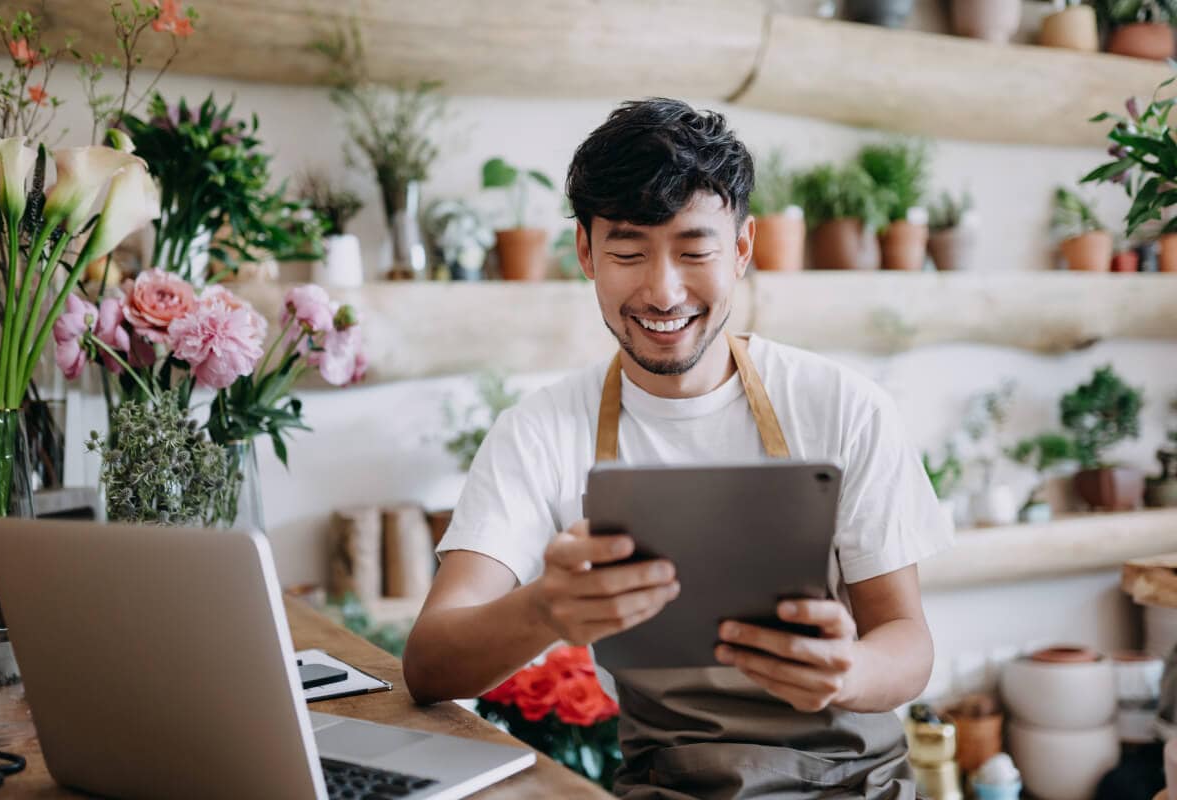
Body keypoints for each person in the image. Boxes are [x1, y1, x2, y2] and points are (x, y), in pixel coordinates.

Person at [402, 97, 952, 799]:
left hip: (854, 782)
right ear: (584, 253)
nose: (663, 291)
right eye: (628, 252)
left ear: (744, 249)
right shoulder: (539, 431)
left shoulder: (842, 405)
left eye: (695, 251)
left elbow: (907, 640)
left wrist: (850, 670)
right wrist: (544, 609)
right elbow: (427, 663)